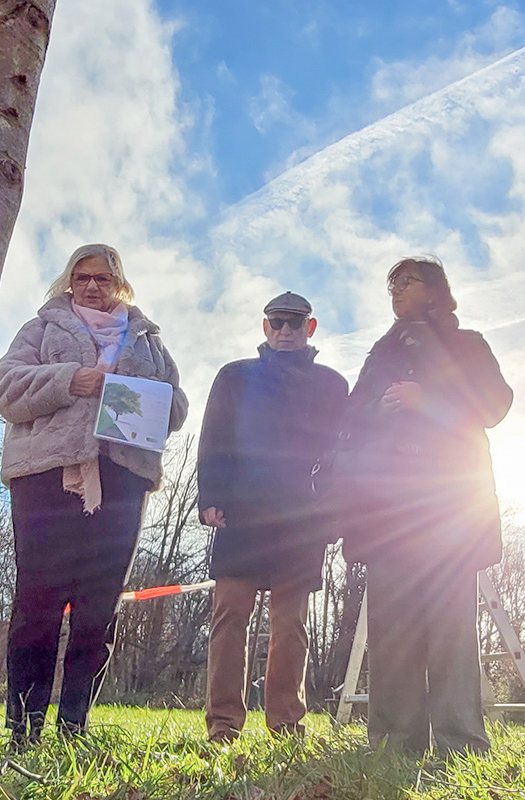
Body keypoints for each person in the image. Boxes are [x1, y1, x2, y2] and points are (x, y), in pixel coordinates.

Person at [0, 243, 188, 749]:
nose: (92, 286)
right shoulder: (42, 329)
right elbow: (6, 389)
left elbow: (178, 406)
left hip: (124, 477)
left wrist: (137, 396)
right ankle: (23, 728)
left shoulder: (148, 340)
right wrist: (70, 380)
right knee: (38, 601)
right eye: (82, 277)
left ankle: (74, 726)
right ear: (68, 282)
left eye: (102, 278)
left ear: (119, 283)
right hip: (46, 474)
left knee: (99, 606)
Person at [338, 257, 512, 757]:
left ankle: (462, 744)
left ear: (436, 290)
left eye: (408, 281)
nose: (396, 291)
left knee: (452, 629)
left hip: (451, 508)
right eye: (391, 284)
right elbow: (353, 415)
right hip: (387, 509)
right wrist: (381, 406)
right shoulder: (381, 350)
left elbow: (496, 404)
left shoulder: (468, 343)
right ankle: (394, 744)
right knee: (392, 631)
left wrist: (427, 397)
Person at [197, 291, 349, 743]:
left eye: (294, 323)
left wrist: (334, 510)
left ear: (310, 328)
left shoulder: (333, 385)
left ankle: (286, 724)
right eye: (277, 322)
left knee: (291, 624)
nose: (285, 331)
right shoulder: (234, 376)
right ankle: (223, 724)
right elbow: (213, 437)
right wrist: (210, 496)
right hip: (240, 512)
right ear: (265, 327)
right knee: (229, 617)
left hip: (302, 517)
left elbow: (342, 454)